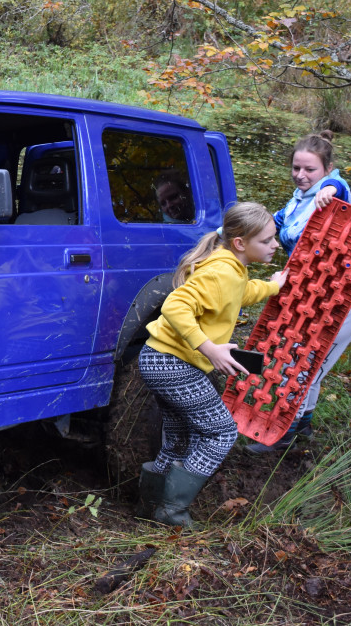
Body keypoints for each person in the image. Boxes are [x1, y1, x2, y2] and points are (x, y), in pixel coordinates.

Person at [136, 202, 288, 527]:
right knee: (221, 433)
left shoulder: (230, 269)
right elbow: (176, 304)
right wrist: (210, 349)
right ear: (240, 243)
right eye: (267, 240)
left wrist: (274, 286)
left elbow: (239, 293)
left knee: (177, 437)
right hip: (172, 362)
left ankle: (149, 507)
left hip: (159, 358)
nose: (275, 245)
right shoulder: (221, 271)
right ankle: (171, 513)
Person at [246, 130, 351, 453]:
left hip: (345, 305)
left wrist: (328, 189)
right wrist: (228, 232)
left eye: (310, 170)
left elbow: (341, 189)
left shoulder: (332, 197)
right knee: (306, 365)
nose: (301, 175)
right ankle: (303, 429)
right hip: (314, 301)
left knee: (303, 367)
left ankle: (283, 435)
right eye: (296, 168)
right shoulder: (296, 202)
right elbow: (273, 226)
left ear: (327, 169)